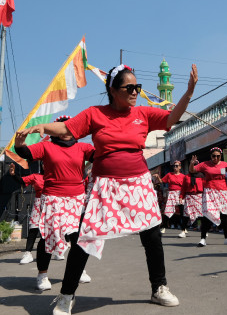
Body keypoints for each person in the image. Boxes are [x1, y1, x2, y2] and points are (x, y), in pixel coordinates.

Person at [19, 63, 197, 313]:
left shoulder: (143, 114)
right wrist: (44, 127)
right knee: (84, 239)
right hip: (105, 185)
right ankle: (66, 295)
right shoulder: (95, 114)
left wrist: (188, 93)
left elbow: (171, 118)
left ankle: (159, 287)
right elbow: (69, 128)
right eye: (130, 87)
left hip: (138, 183)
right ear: (113, 90)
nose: (135, 92)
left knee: (152, 237)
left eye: (138, 87)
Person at [14, 116, 94, 291]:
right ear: (53, 130)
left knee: (78, 239)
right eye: (60, 127)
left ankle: (78, 271)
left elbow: (101, 156)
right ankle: (42, 275)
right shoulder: (46, 146)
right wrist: (20, 145)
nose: (65, 130)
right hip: (53, 198)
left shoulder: (83, 147)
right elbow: (26, 153)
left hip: (77, 199)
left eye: (68, 127)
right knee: (47, 237)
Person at [189, 147, 227, 247]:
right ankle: (203, 239)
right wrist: (191, 163)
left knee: (225, 215)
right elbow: (193, 170)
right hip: (209, 191)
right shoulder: (205, 164)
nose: (215, 158)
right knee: (207, 214)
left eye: (218, 156)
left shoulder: (224, 164)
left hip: (222, 191)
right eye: (213, 156)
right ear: (210, 156)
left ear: (221, 156)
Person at [9, 162, 45, 264]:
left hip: (52, 204)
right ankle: (28, 253)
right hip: (39, 203)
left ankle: (54, 251)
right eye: (43, 163)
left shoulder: (57, 176)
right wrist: (13, 175)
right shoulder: (36, 176)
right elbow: (22, 181)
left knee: (50, 229)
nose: (45, 165)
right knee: (33, 228)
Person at [158, 161, 187, 238]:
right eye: (174, 166)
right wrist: (158, 176)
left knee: (182, 211)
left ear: (180, 167)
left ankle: (183, 229)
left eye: (177, 166)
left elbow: (185, 187)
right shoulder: (169, 174)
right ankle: (163, 226)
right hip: (171, 193)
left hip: (180, 193)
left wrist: (183, 195)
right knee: (168, 210)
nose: (175, 167)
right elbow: (161, 181)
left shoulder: (183, 176)